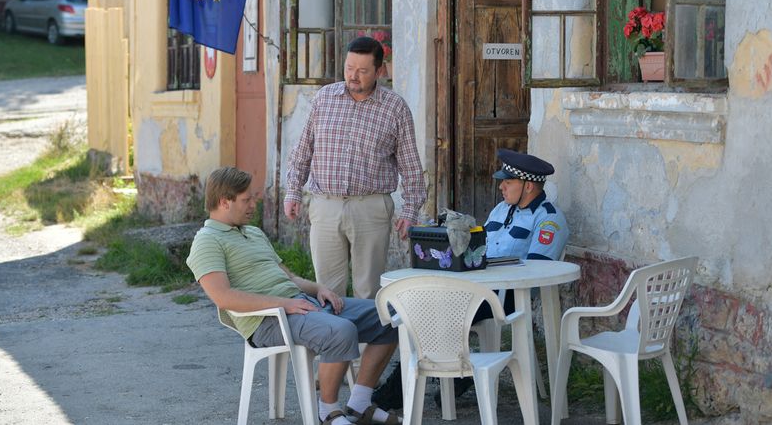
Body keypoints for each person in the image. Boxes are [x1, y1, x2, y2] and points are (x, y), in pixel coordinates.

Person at [187, 167, 401, 425]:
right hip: (266, 320)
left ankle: (359, 404)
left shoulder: (252, 232)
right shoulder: (206, 241)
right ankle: (328, 412)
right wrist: (285, 304)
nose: (253, 205)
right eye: (247, 200)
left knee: (388, 315)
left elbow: (289, 278)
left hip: (298, 303)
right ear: (224, 202)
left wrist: (319, 288)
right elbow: (223, 298)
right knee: (341, 331)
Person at [376, 148, 572, 410]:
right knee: (419, 307)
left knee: (436, 311)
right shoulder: (501, 210)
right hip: (477, 289)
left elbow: (537, 271)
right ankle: (453, 375)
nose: (501, 186)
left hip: (510, 297)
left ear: (528, 186)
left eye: (508, 181)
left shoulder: (548, 217)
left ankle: (415, 387)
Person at [284, 35, 426, 301]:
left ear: (379, 71)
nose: (354, 76)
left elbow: (411, 166)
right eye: (349, 68)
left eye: (362, 71)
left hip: (371, 207)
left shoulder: (395, 108)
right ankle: (333, 343)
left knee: (368, 291)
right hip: (325, 205)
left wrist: (411, 210)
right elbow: (303, 150)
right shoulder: (324, 99)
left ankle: (369, 344)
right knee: (326, 290)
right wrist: (293, 191)